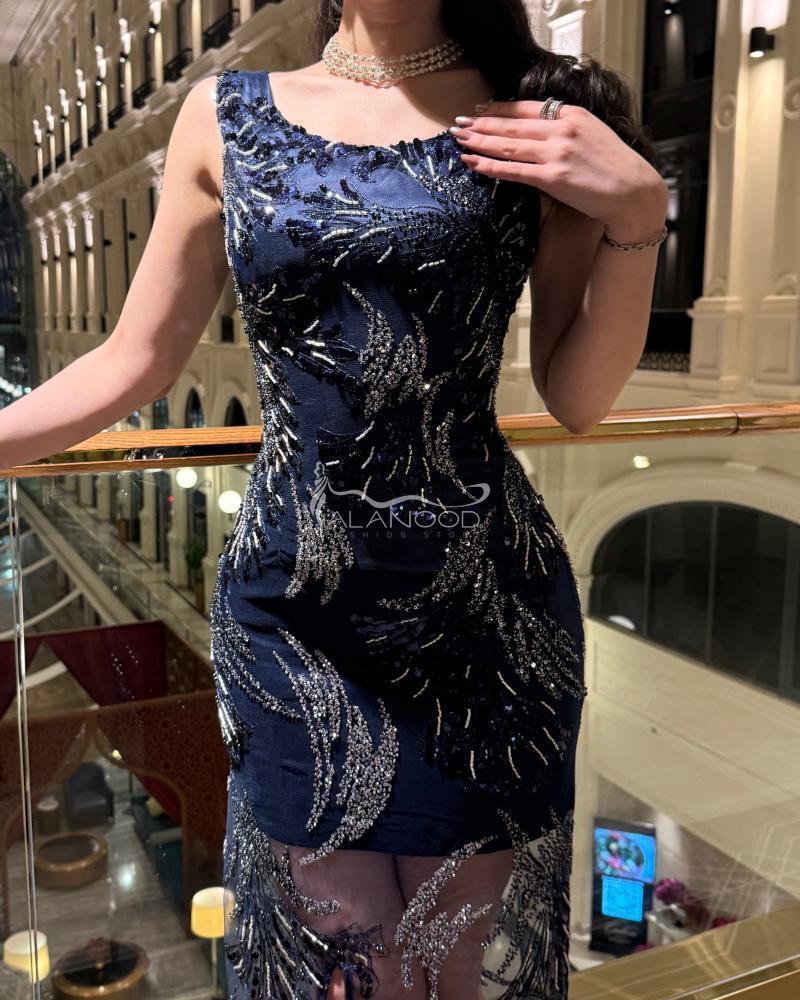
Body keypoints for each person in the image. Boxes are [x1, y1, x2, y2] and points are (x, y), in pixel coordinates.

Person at [1, 0, 667, 996]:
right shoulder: (223, 114)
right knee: (346, 966)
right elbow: (135, 360)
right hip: (293, 616)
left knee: (455, 969)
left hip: (482, 614)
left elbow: (575, 397)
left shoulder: (534, 112)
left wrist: (639, 214)